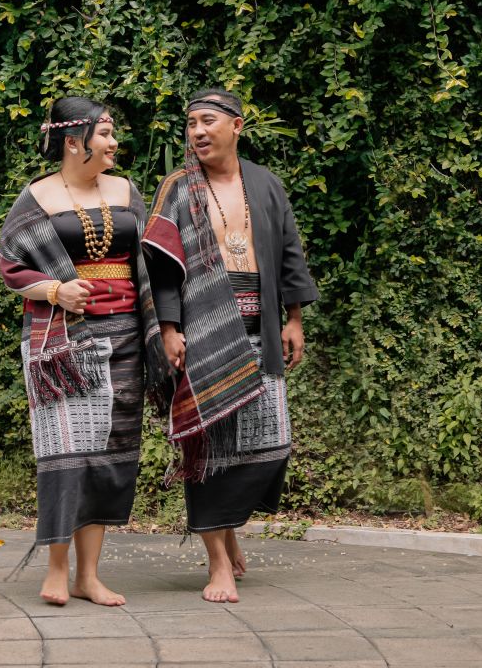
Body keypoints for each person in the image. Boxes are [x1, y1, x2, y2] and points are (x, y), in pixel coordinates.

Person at [142, 88, 318, 603]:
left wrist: (294, 318)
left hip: (260, 324)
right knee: (212, 450)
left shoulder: (264, 183)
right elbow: (162, 268)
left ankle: (229, 531)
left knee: (273, 443)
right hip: (202, 329)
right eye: (191, 123)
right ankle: (217, 561)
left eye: (208, 121)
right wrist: (169, 328)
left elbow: (289, 251)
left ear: (237, 126)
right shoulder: (178, 187)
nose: (197, 131)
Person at [0, 96, 169, 606]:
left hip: (126, 337)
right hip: (64, 343)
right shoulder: (37, 196)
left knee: (111, 453)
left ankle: (88, 576)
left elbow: (147, 263)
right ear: (74, 142)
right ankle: (56, 570)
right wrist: (55, 290)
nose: (115, 143)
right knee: (66, 451)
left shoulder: (126, 191)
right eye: (106, 133)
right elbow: (10, 264)